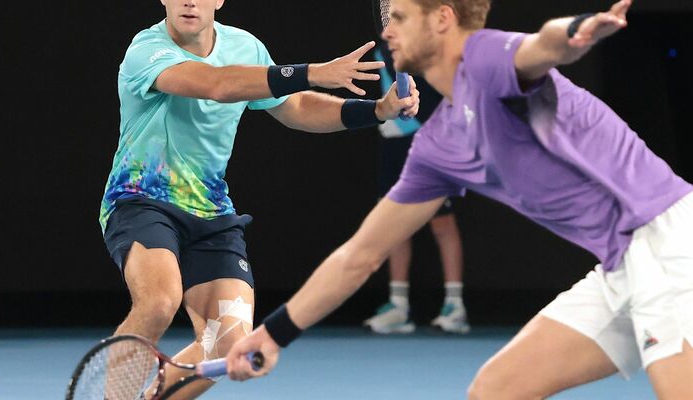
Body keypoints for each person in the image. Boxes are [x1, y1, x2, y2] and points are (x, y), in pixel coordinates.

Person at [227, 1, 693, 398]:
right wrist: (274, 333)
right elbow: (360, 255)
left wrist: (573, 32)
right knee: (496, 389)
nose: (386, 30)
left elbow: (541, 46)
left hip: (671, 245)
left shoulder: (484, 59)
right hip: (621, 266)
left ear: (443, 19)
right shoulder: (440, 145)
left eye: (402, 18)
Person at [98, 0, 419, 398]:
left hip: (212, 213)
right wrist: (313, 73)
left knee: (230, 346)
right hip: (142, 200)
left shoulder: (245, 48)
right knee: (161, 301)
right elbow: (217, 85)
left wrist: (376, 110)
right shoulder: (147, 49)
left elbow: (295, 106)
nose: (189, 1)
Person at [363, 42, 469, 335]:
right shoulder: (387, 42)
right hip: (392, 142)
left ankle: (455, 305)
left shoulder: (424, 40)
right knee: (393, 224)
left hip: (428, 140)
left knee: (442, 223)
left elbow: (442, 91)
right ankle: (398, 307)